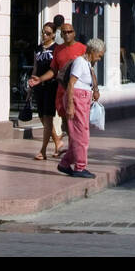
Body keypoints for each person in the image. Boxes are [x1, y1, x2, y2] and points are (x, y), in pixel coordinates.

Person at [57, 38, 105, 179]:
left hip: (82, 98)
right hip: (77, 98)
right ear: (93, 51)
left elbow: (89, 79)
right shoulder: (80, 62)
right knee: (82, 136)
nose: (100, 58)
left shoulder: (88, 63)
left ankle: (65, 163)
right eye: (100, 55)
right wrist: (70, 105)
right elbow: (71, 84)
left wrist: (95, 89)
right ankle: (80, 167)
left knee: (78, 135)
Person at [28, 22, 87, 121]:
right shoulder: (58, 50)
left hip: (79, 90)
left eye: (70, 32)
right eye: (64, 32)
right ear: (61, 35)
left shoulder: (82, 48)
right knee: (65, 122)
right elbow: (53, 70)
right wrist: (40, 79)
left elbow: (90, 70)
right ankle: (60, 136)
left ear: (74, 33)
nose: (67, 34)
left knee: (78, 121)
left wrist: (95, 89)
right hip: (63, 90)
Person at [29, 23, 63, 161]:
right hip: (38, 86)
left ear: (54, 34)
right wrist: (30, 87)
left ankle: (43, 150)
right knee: (42, 117)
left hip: (51, 86)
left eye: (48, 33)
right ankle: (58, 142)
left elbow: (58, 69)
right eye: (43, 32)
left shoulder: (57, 49)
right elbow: (35, 67)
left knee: (48, 117)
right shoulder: (38, 49)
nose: (45, 35)